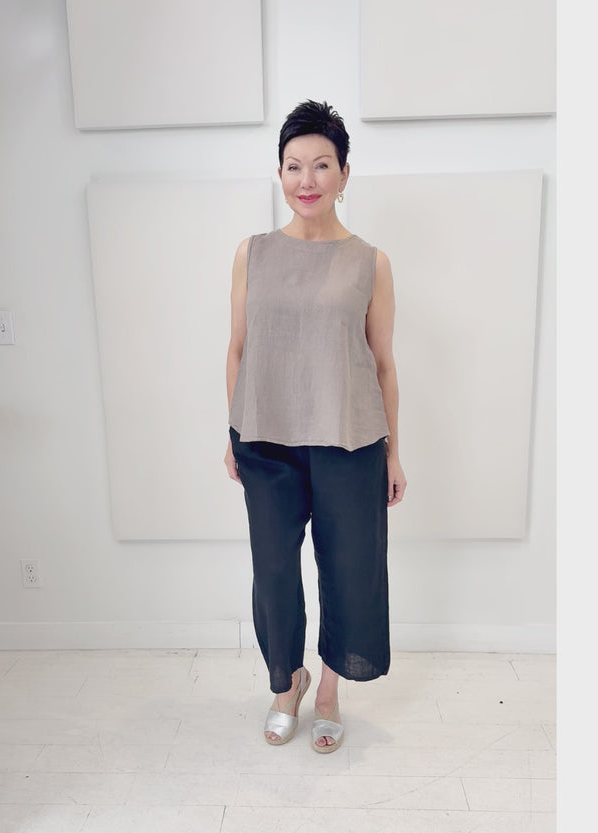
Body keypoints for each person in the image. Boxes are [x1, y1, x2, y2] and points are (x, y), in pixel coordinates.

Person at [224, 99, 406, 753]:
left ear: (344, 174)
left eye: (322, 165)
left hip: (350, 440)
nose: (308, 179)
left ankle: (328, 692)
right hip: (265, 437)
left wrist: (393, 454)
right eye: (294, 165)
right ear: (280, 174)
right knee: (274, 570)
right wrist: (233, 433)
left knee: (350, 571)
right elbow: (238, 349)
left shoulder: (370, 262)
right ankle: (287, 683)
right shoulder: (253, 254)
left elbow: (382, 363)